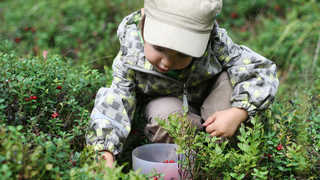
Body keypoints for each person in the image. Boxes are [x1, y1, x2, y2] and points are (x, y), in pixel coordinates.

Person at [86, 0, 279, 168]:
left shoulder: (215, 43)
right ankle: (194, 163)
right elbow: (116, 101)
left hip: (215, 107)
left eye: (182, 54)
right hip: (171, 110)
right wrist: (104, 151)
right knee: (166, 117)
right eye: (159, 48)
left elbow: (260, 70)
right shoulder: (131, 56)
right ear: (143, 26)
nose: (167, 62)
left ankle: (224, 154)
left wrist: (237, 113)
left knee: (232, 81)